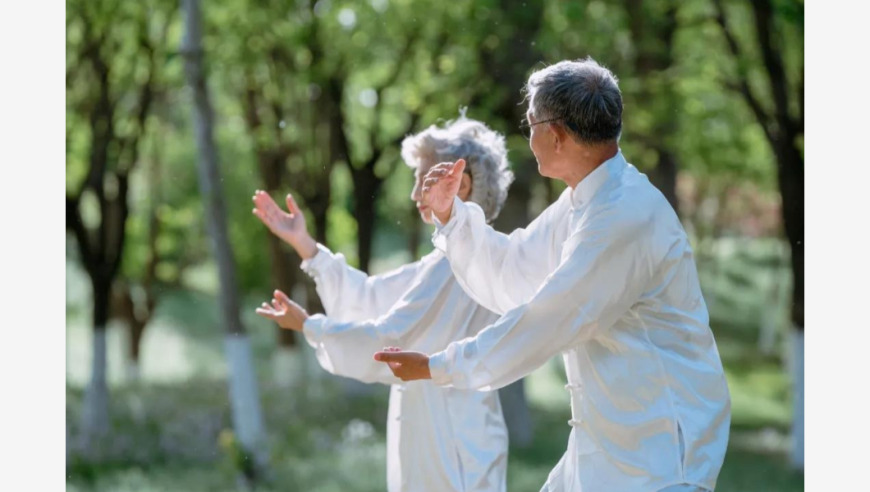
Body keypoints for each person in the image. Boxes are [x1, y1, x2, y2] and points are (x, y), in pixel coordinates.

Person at [374, 58, 731, 492]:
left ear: (556, 134)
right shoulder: (587, 200)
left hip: (659, 459)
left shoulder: (624, 216)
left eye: (530, 125)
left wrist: (438, 365)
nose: (529, 137)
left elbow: (547, 319)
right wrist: (452, 217)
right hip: (606, 448)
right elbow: (514, 269)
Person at [252, 116, 514, 492]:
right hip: (451, 430)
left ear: (461, 184)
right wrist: (307, 247)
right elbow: (373, 297)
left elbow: (389, 334)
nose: (413, 196)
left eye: (422, 181)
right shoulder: (453, 257)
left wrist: (310, 326)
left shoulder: (462, 260)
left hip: (451, 438)